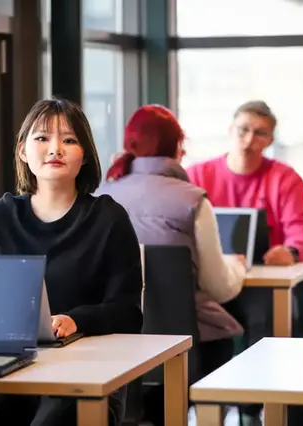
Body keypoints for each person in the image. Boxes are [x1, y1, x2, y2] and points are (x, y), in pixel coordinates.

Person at [0, 98, 143, 426]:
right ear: (22, 151)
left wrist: (76, 320)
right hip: (11, 372)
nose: (55, 148)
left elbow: (129, 313)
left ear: (85, 154)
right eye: (42, 138)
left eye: (69, 140)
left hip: (90, 376)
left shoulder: (108, 219)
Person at [95, 104, 247, 425]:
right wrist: (238, 267)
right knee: (227, 330)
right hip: (182, 347)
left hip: (114, 345)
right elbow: (218, 287)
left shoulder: (99, 196)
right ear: (178, 147)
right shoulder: (192, 200)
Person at [185, 101, 303, 425]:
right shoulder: (199, 174)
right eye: (243, 129)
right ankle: (200, 402)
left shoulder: (284, 178)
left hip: (260, 283)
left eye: (260, 133)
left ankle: (251, 408)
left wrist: (292, 252)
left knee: (264, 315)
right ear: (231, 130)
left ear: (270, 140)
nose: (249, 139)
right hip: (211, 282)